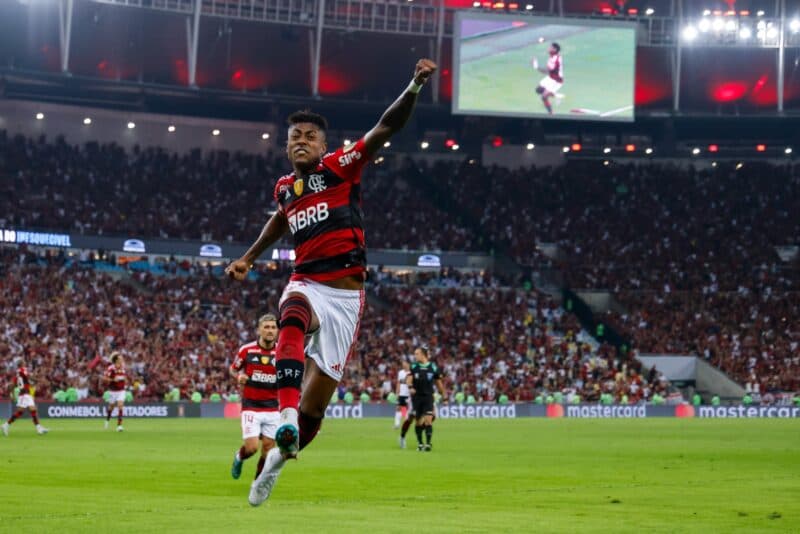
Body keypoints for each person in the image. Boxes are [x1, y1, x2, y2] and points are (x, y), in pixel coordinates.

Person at [225, 57, 437, 506]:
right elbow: (281, 222)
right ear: (286, 147)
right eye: (294, 137)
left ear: (323, 146)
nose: (301, 142)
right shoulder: (284, 188)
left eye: (309, 137)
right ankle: (283, 419)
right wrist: (247, 257)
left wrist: (414, 85)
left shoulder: (340, 167)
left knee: (315, 409)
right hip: (307, 281)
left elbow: (384, 127)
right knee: (291, 314)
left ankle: (275, 465)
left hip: (345, 299)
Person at [229, 314, 280, 482]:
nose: (270, 331)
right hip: (251, 406)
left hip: (273, 407)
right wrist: (238, 377)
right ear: (259, 330)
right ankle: (239, 457)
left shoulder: (282, 352)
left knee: (268, 449)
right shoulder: (247, 350)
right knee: (251, 448)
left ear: (278, 330)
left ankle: (257, 484)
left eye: (273, 327)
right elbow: (233, 369)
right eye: (266, 327)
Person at [407, 346, 446, 451]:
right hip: (417, 398)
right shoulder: (414, 366)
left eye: (417, 354)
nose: (415, 356)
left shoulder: (433, 367)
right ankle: (420, 444)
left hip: (428, 397)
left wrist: (444, 396)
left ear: (423, 354)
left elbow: (439, 383)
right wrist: (410, 387)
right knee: (418, 422)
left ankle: (428, 444)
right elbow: (409, 379)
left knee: (429, 420)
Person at [2, 362, 48, 436]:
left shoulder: (17, 375)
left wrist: (13, 395)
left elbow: (13, 385)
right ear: (21, 365)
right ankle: (39, 428)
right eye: (24, 363)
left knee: (21, 412)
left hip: (24, 394)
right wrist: (39, 380)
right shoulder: (23, 370)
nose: (25, 364)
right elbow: (30, 377)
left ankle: (6, 425)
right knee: (32, 410)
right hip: (25, 394)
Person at [533, 42, 563, 115]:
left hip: (556, 80)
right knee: (538, 90)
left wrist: (536, 67)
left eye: (550, 47)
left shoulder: (555, 60)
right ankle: (556, 95)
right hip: (550, 78)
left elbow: (546, 71)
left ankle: (551, 113)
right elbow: (548, 71)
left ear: (555, 49)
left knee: (543, 97)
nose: (548, 48)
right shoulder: (552, 56)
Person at [103, 352, 127, 431]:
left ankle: (119, 425)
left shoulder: (123, 367)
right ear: (116, 360)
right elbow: (105, 378)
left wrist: (124, 380)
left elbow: (124, 377)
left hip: (121, 390)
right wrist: (113, 379)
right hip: (113, 391)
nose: (122, 359)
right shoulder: (111, 368)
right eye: (120, 358)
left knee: (120, 405)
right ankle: (107, 420)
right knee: (111, 407)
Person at [394, 360, 411, 431]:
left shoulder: (411, 373)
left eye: (404, 363)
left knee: (406, 409)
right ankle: (397, 424)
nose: (403, 365)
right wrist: (397, 393)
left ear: (408, 364)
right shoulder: (400, 372)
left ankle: (406, 422)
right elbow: (398, 383)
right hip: (401, 394)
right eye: (402, 363)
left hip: (409, 394)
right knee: (399, 408)